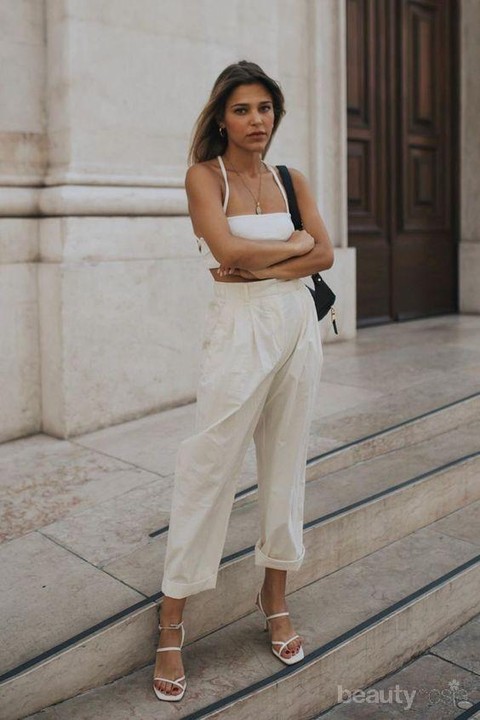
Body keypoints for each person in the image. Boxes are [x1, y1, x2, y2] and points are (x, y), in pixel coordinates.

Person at [153, 60, 334, 702]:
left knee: (286, 463)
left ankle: (274, 598)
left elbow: (325, 252)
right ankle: (171, 618)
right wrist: (291, 250)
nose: (256, 120)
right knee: (210, 466)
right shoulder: (205, 177)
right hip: (237, 332)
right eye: (242, 109)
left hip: (295, 325)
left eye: (264, 108)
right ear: (222, 118)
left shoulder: (291, 179)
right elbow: (227, 253)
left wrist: (265, 267)